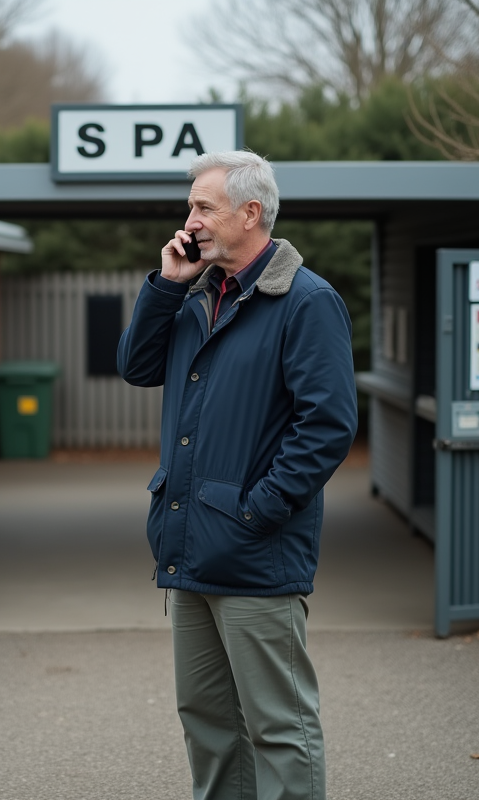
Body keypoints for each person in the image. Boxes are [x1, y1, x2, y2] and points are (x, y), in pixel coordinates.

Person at [117, 150, 357, 800]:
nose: (189, 218)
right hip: (189, 548)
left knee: (280, 729)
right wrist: (166, 284)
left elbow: (328, 426)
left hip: (255, 552)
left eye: (202, 206)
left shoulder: (306, 302)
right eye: (191, 205)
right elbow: (137, 366)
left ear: (250, 213)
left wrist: (258, 511)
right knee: (210, 726)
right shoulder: (196, 293)